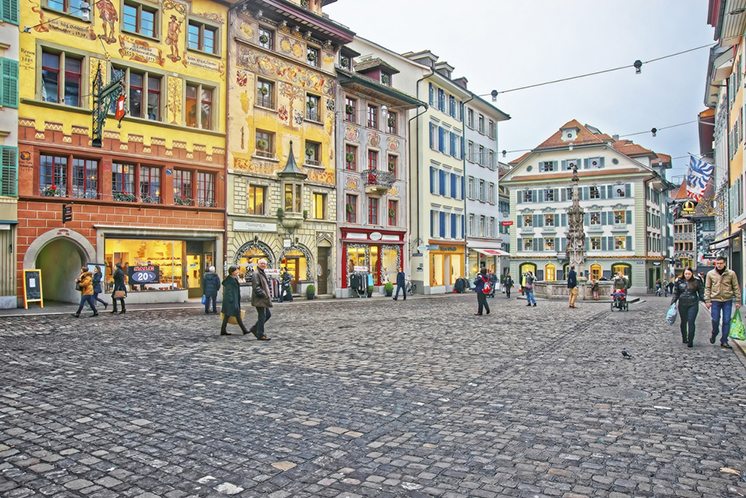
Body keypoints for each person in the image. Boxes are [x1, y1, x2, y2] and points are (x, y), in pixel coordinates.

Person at [704, 256, 742, 349]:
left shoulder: (731, 273)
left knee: (726, 321)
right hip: (715, 300)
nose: (719, 265)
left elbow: (736, 286)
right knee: (715, 320)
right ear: (715, 263)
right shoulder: (710, 274)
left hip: (727, 300)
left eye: (721, 263)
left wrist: (738, 300)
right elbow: (707, 288)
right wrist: (707, 300)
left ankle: (724, 341)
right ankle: (714, 333)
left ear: (725, 263)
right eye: (717, 263)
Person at [671, 267, 705, 348]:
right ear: (683, 274)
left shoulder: (697, 281)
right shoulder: (679, 281)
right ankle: (684, 338)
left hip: (693, 303)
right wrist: (673, 303)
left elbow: (701, 292)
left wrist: (706, 301)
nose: (687, 275)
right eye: (686, 274)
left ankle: (690, 340)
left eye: (689, 274)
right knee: (683, 321)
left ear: (692, 274)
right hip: (682, 303)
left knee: (691, 321)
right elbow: (676, 293)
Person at [220, 265, 254, 337]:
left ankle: (223, 330)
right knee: (234, 315)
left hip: (233, 301)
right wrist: (232, 301)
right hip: (231, 301)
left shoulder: (233, 278)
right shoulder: (230, 280)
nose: (238, 271)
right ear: (232, 272)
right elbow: (229, 292)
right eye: (236, 270)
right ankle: (244, 330)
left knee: (228, 315)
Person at [248, 259, 272, 340]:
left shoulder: (262, 272)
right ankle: (260, 334)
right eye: (261, 263)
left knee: (267, 315)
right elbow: (256, 287)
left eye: (264, 263)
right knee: (262, 316)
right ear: (258, 264)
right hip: (260, 299)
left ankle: (255, 328)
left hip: (263, 299)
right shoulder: (256, 273)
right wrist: (264, 294)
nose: (263, 265)